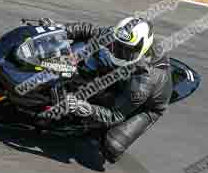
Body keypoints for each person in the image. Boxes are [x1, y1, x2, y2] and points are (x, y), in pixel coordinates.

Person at [37, 17, 173, 163]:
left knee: (112, 146)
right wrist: (59, 29)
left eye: (127, 50)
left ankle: (94, 129)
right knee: (85, 52)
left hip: (146, 105)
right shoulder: (121, 36)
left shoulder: (143, 82)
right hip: (125, 72)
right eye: (117, 45)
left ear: (141, 48)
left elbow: (115, 115)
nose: (119, 51)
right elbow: (89, 30)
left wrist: (86, 108)